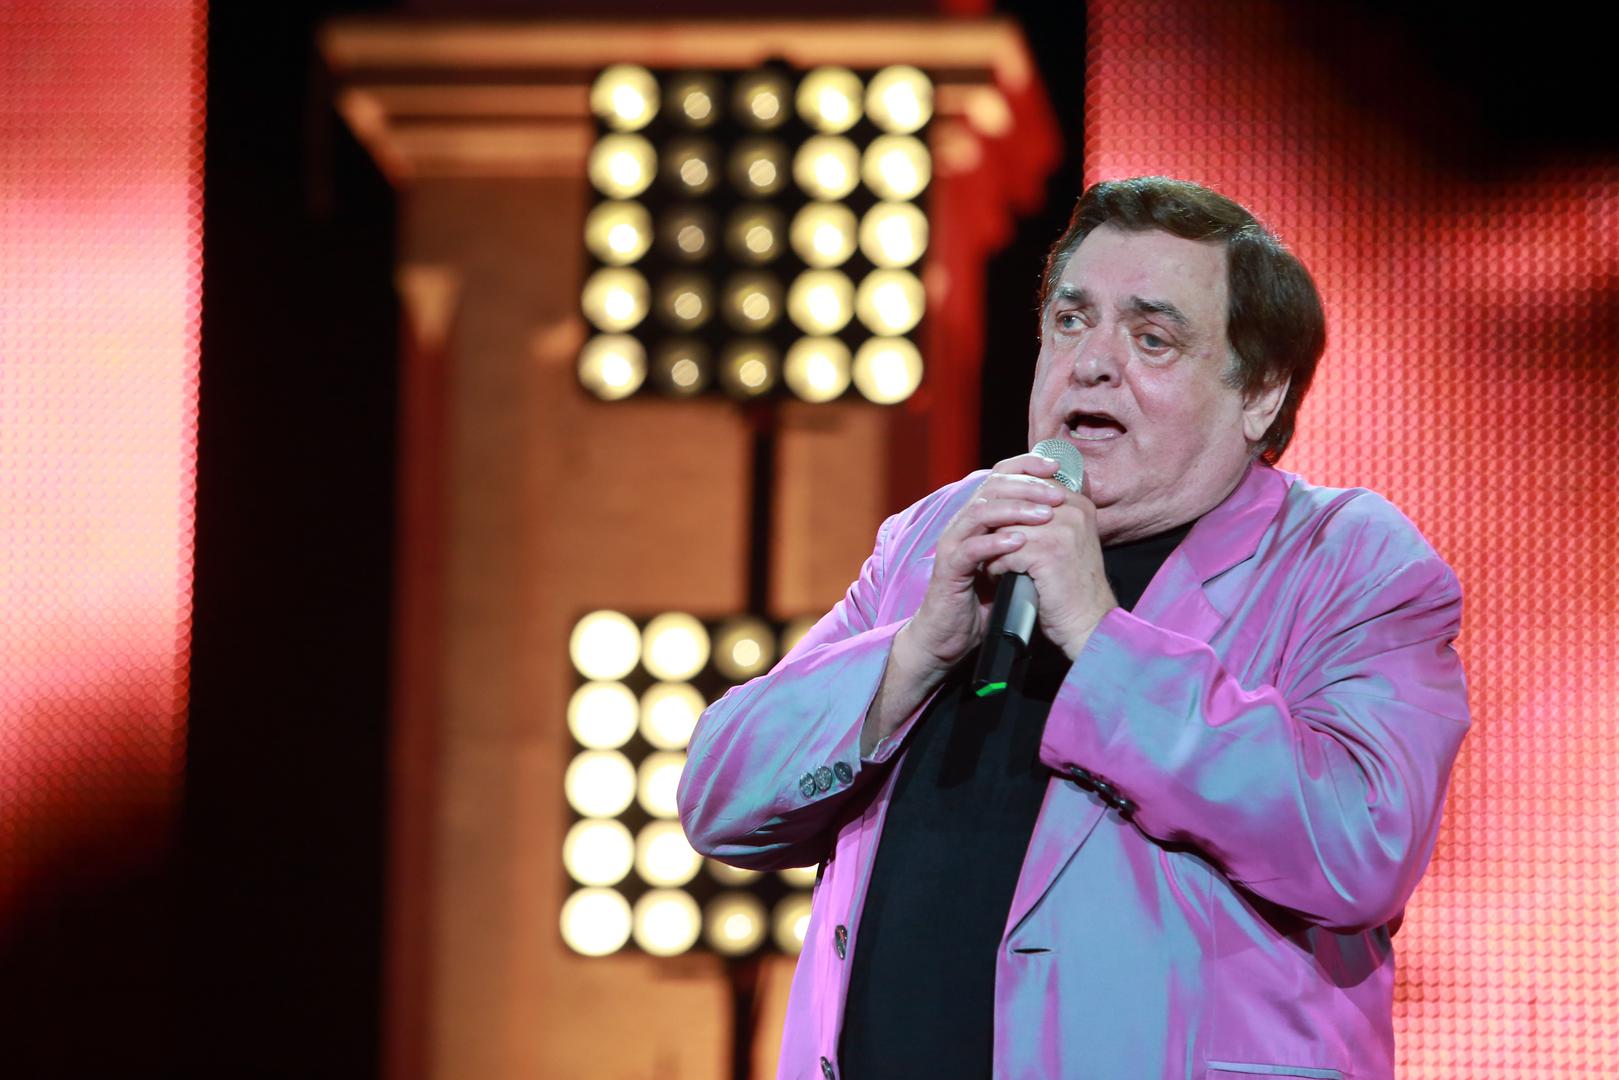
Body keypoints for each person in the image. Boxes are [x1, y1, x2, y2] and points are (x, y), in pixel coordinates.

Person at [677, 176, 1468, 1080]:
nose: (1090, 363)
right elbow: (721, 801)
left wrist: (1100, 636)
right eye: (1069, 321)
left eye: (1151, 337)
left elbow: (1361, 844)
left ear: (1258, 394)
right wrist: (915, 651)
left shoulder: (1345, 560)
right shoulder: (939, 535)